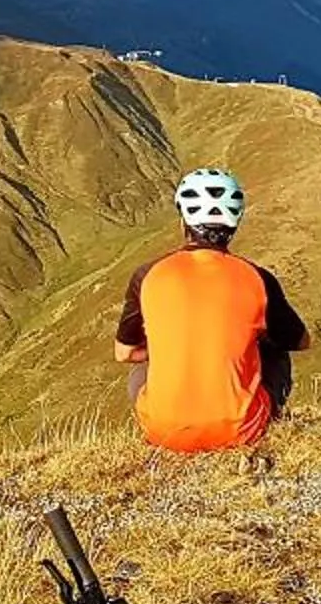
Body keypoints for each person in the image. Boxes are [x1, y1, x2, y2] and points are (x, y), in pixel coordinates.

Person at [114, 168, 309, 453]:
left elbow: (125, 353)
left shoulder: (148, 275)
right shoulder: (258, 278)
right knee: (276, 351)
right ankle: (262, 420)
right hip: (240, 432)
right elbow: (300, 341)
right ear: (235, 224)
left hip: (163, 434)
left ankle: (164, 418)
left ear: (184, 221)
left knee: (144, 365)